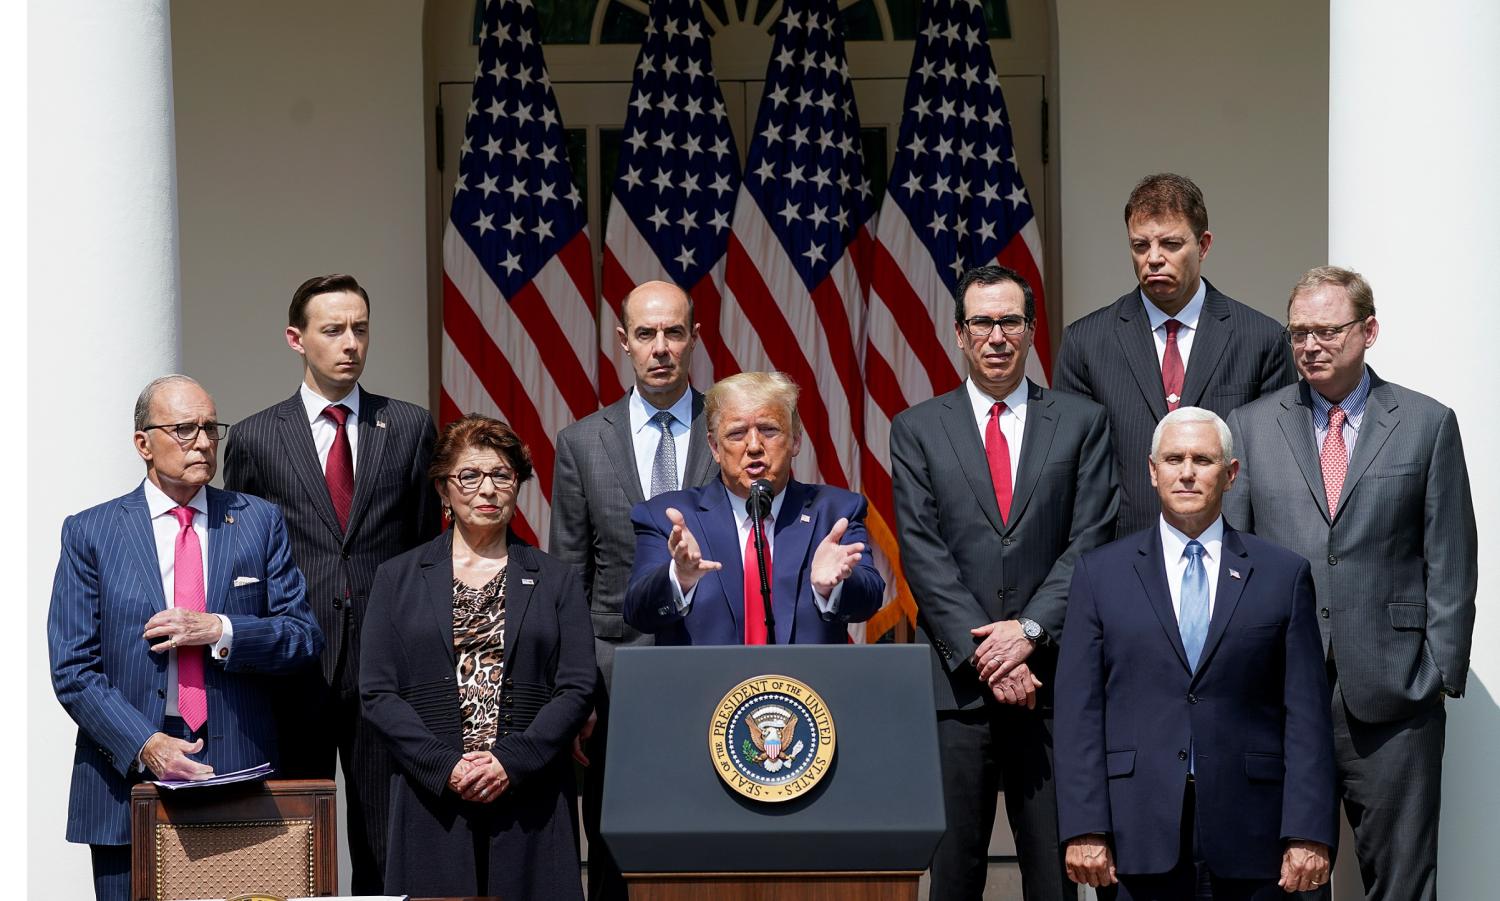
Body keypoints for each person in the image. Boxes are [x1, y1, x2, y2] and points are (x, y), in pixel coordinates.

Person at [1224, 266, 1476, 901]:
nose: (1311, 345)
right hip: (1281, 694)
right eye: (1299, 332)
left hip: (1395, 699)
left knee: (1403, 883)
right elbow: (1236, 558)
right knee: (1288, 882)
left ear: (1369, 331)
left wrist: (1438, 671)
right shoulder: (1251, 427)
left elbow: (1451, 557)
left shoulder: (1426, 424)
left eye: (1328, 330)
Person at [48, 375, 324, 901]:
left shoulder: (257, 522)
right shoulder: (91, 532)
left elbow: (302, 636)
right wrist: (145, 745)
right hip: (125, 779)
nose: (202, 441)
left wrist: (220, 628)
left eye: (209, 428)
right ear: (142, 443)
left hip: (239, 772)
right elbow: (73, 669)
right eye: (183, 429)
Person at [889, 264, 1117, 901]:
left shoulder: (1081, 422)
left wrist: (1030, 632)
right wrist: (991, 654)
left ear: (1031, 329)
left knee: (1054, 877)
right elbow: (923, 555)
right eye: (982, 323)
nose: (996, 336)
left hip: (1051, 688)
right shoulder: (916, 429)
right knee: (954, 877)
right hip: (957, 690)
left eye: (1009, 321)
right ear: (960, 334)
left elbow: (1091, 539)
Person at [1055, 407, 1337, 900]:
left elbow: (1307, 714)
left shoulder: (1282, 575)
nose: (1186, 472)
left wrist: (1308, 830)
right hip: (1135, 833)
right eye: (1174, 459)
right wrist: (1085, 826)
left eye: (1202, 459)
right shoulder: (1100, 575)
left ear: (1230, 474)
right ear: (1152, 470)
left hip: (1254, 837)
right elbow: (1079, 711)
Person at [222, 273, 439, 890]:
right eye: (333, 329)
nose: (351, 343)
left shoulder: (409, 426)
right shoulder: (260, 435)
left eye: (360, 329)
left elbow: (425, 549)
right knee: (291, 841)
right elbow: (241, 560)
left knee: (383, 838)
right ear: (296, 338)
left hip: (386, 668)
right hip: (293, 672)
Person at [360, 414, 595, 897]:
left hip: (529, 797)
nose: (486, 489)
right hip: (433, 799)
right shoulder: (396, 578)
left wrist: (511, 760)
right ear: (444, 491)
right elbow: (378, 693)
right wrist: (445, 765)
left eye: (501, 475)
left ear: (517, 487)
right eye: (469, 476)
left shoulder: (557, 580)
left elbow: (575, 686)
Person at [549, 280, 718, 899]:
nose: (661, 348)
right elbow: (568, 580)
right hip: (613, 673)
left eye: (674, 332)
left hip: (713, 664)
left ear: (695, 338)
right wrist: (575, 694)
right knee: (616, 838)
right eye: (645, 334)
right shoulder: (581, 443)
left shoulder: (733, 429)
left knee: (711, 833)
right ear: (623, 342)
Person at [1053, 173, 1295, 536]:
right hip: (1122, 557)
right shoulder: (1085, 342)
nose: (1153, 259)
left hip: (1232, 556)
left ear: (1204, 244)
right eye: (1139, 246)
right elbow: (1074, 472)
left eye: (1170, 244)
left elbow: (1273, 469)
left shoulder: (1260, 339)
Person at [624, 371, 883, 644]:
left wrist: (834, 587)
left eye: (769, 430)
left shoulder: (835, 511)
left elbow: (869, 600)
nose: (754, 446)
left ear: (795, 439)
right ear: (714, 447)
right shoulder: (669, 518)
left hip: (805, 685)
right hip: (707, 685)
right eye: (736, 434)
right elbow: (638, 612)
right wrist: (679, 577)